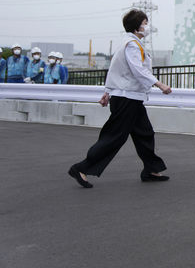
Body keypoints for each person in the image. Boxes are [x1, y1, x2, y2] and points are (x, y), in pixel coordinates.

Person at [68, 10, 173, 189]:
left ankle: (151, 169)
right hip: (126, 99)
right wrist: (159, 84)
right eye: (145, 23)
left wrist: (107, 91)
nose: (147, 26)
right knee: (115, 137)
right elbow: (137, 70)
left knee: (144, 133)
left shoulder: (131, 44)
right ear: (136, 25)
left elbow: (115, 68)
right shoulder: (132, 44)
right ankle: (81, 168)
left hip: (131, 97)